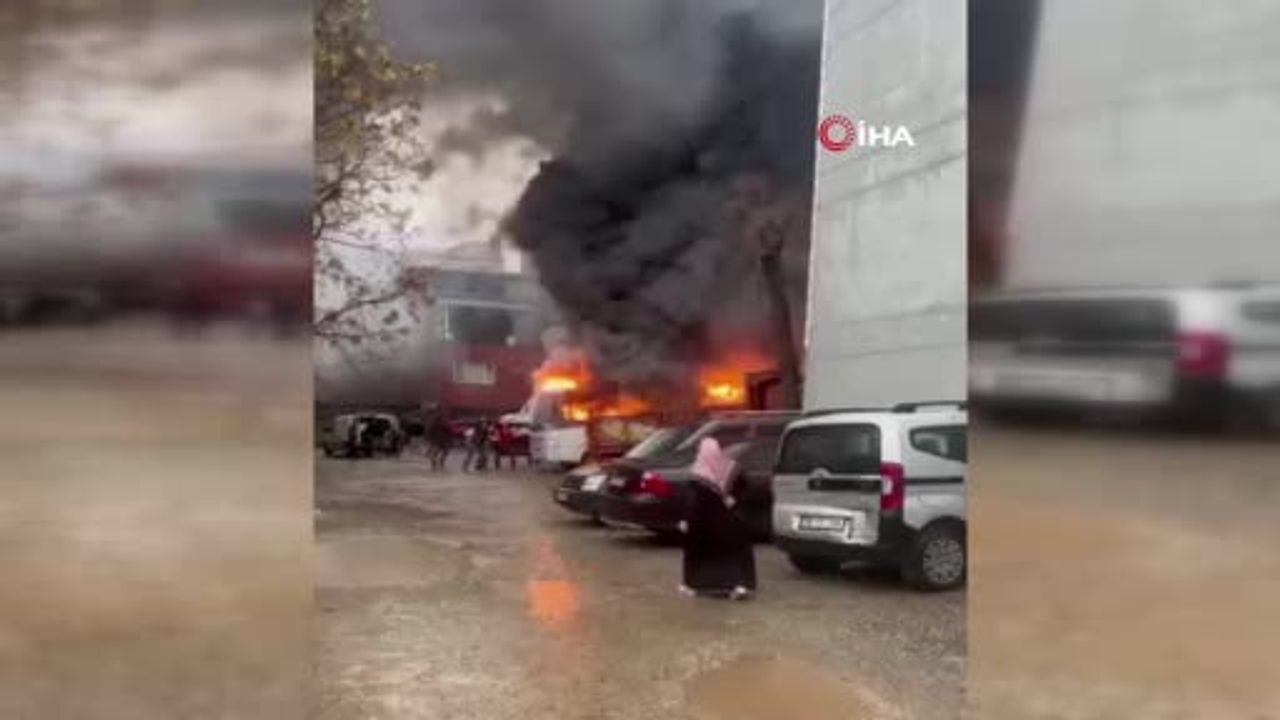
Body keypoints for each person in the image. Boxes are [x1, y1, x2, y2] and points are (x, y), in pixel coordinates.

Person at [679, 437, 757, 600]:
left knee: (702, 554)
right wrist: (735, 499)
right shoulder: (731, 468)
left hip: (704, 524)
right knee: (732, 554)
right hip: (729, 522)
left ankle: (697, 584)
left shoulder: (698, 473)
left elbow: (693, 501)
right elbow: (746, 488)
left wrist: (686, 520)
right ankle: (739, 585)